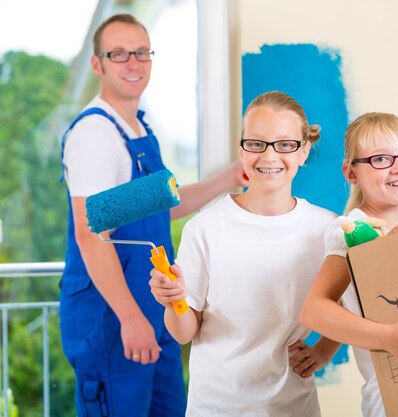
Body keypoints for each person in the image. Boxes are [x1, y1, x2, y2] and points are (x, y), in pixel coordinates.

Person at [59, 13, 246, 417]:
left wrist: (231, 177)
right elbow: (90, 235)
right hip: (112, 321)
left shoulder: (138, 128)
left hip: (153, 311)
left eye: (141, 53)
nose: (133, 63)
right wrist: (131, 318)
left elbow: (164, 205)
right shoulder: (96, 135)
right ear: (98, 64)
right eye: (119, 54)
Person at [148, 91, 340, 416]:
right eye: (257, 143)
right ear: (242, 149)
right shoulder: (205, 228)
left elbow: (355, 305)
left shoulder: (328, 230)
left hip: (292, 407)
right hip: (215, 407)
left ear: (304, 151)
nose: (269, 156)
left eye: (285, 144)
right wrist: (172, 300)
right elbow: (183, 333)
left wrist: (323, 350)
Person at [300, 112, 398, 417]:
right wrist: (389, 337)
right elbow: (315, 309)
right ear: (351, 173)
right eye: (381, 159)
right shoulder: (352, 230)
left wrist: (324, 350)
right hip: (392, 398)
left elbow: (361, 305)